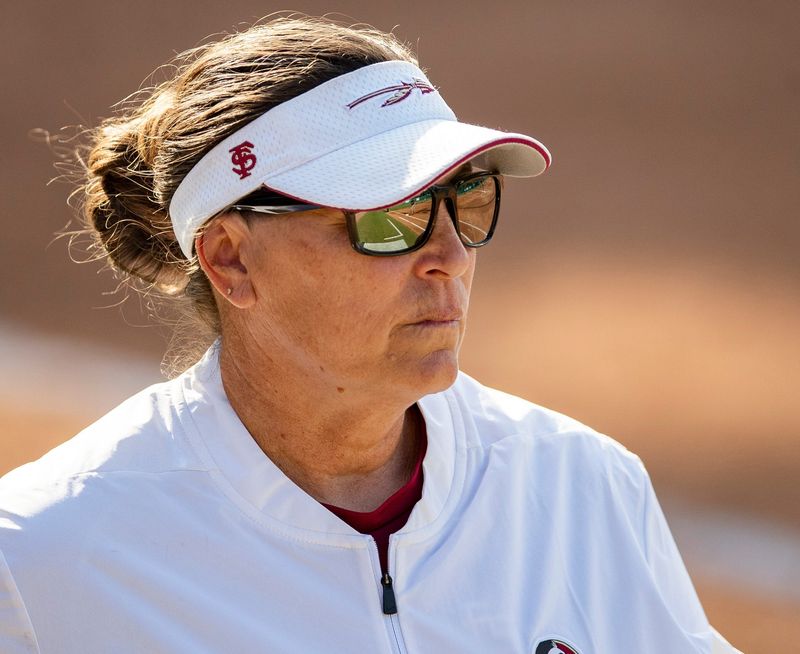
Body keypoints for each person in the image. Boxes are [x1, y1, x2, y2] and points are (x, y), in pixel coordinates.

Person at [0, 16, 741, 654]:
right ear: (231, 259)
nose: (450, 256)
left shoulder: (581, 488)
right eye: (389, 216)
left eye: (466, 199)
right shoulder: (45, 558)